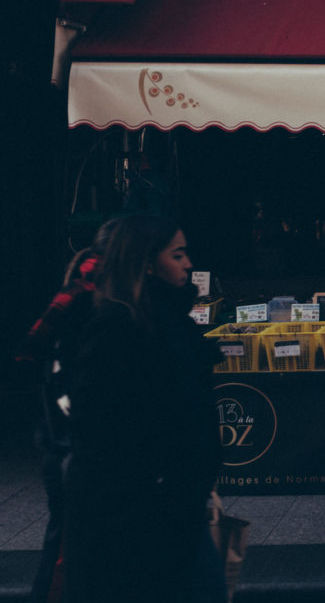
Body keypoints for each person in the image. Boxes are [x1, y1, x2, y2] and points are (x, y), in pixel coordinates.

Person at [63, 215, 224, 603]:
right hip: (145, 515)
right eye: (178, 254)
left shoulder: (162, 321)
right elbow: (104, 428)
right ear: (146, 262)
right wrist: (167, 483)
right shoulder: (120, 329)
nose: (188, 264)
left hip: (171, 505)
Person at [21, 220, 119, 603]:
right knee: (68, 554)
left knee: (64, 547)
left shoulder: (78, 301)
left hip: (66, 446)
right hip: (78, 449)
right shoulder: (94, 309)